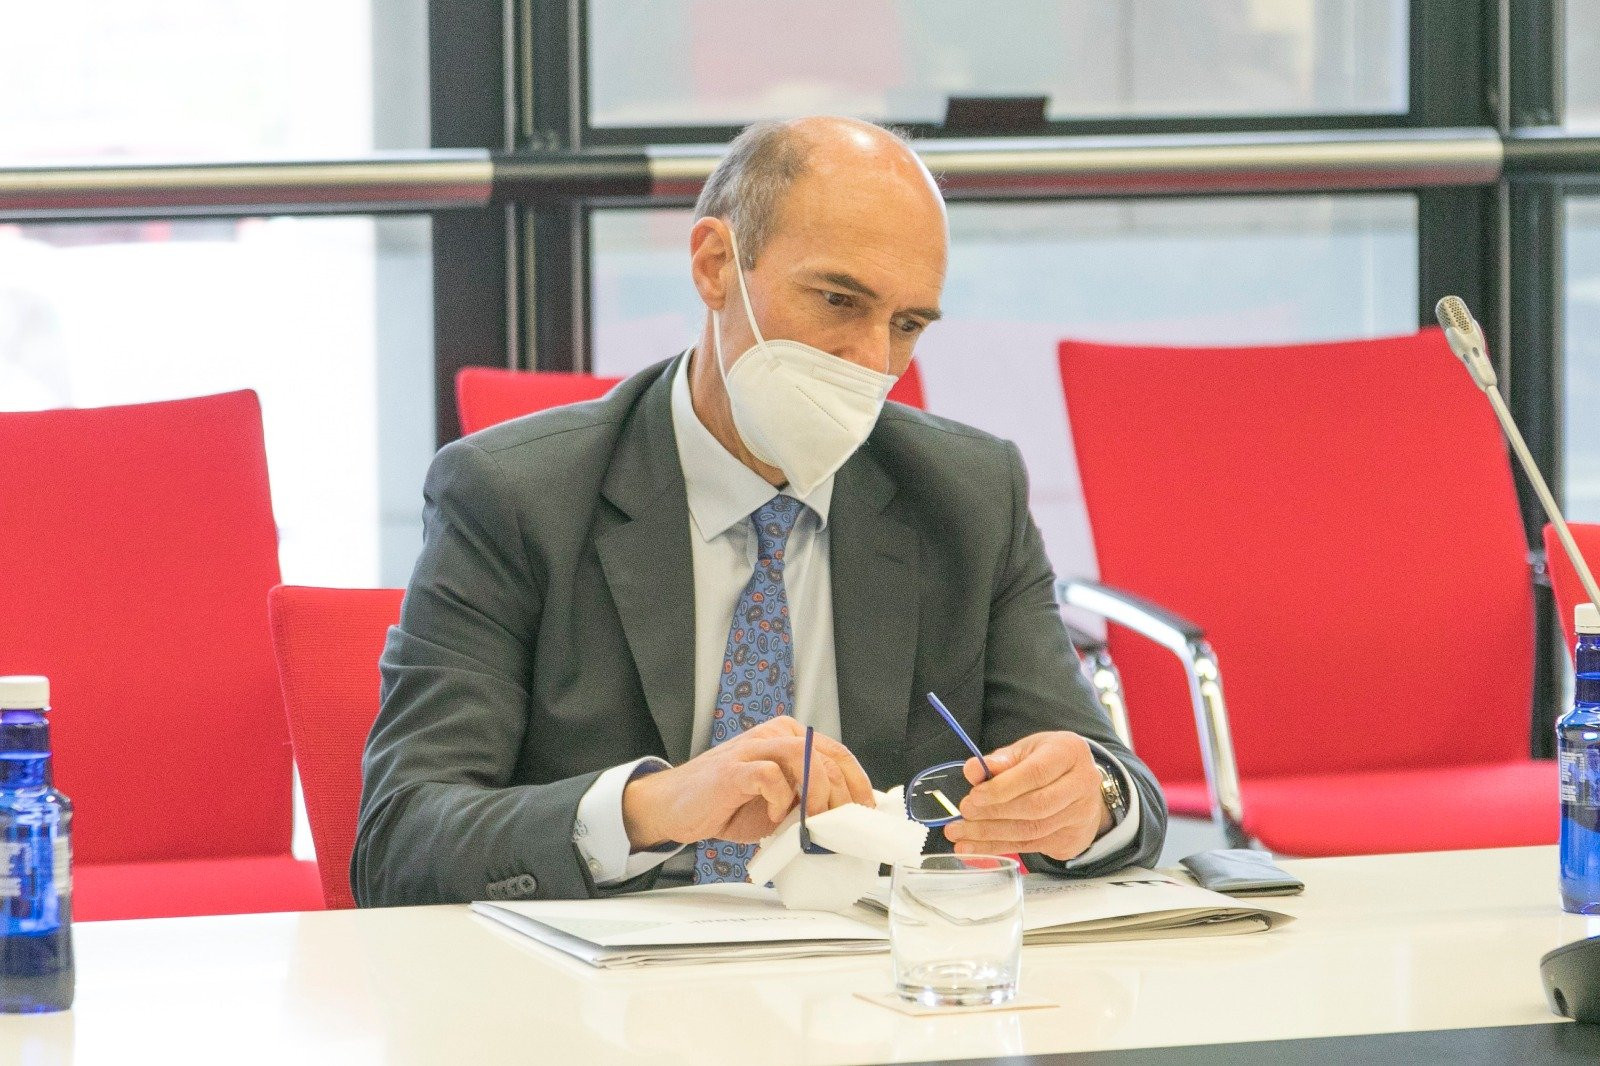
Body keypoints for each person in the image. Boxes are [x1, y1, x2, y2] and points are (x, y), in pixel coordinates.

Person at [353, 116, 1167, 906]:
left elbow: (1121, 792)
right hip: (607, 1005)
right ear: (715, 265)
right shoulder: (513, 496)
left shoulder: (966, 492)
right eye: (839, 300)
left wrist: (1088, 800)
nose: (871, 361)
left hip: (876, 996)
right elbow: (400, 843)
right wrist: (654, 807)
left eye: (907, 324)